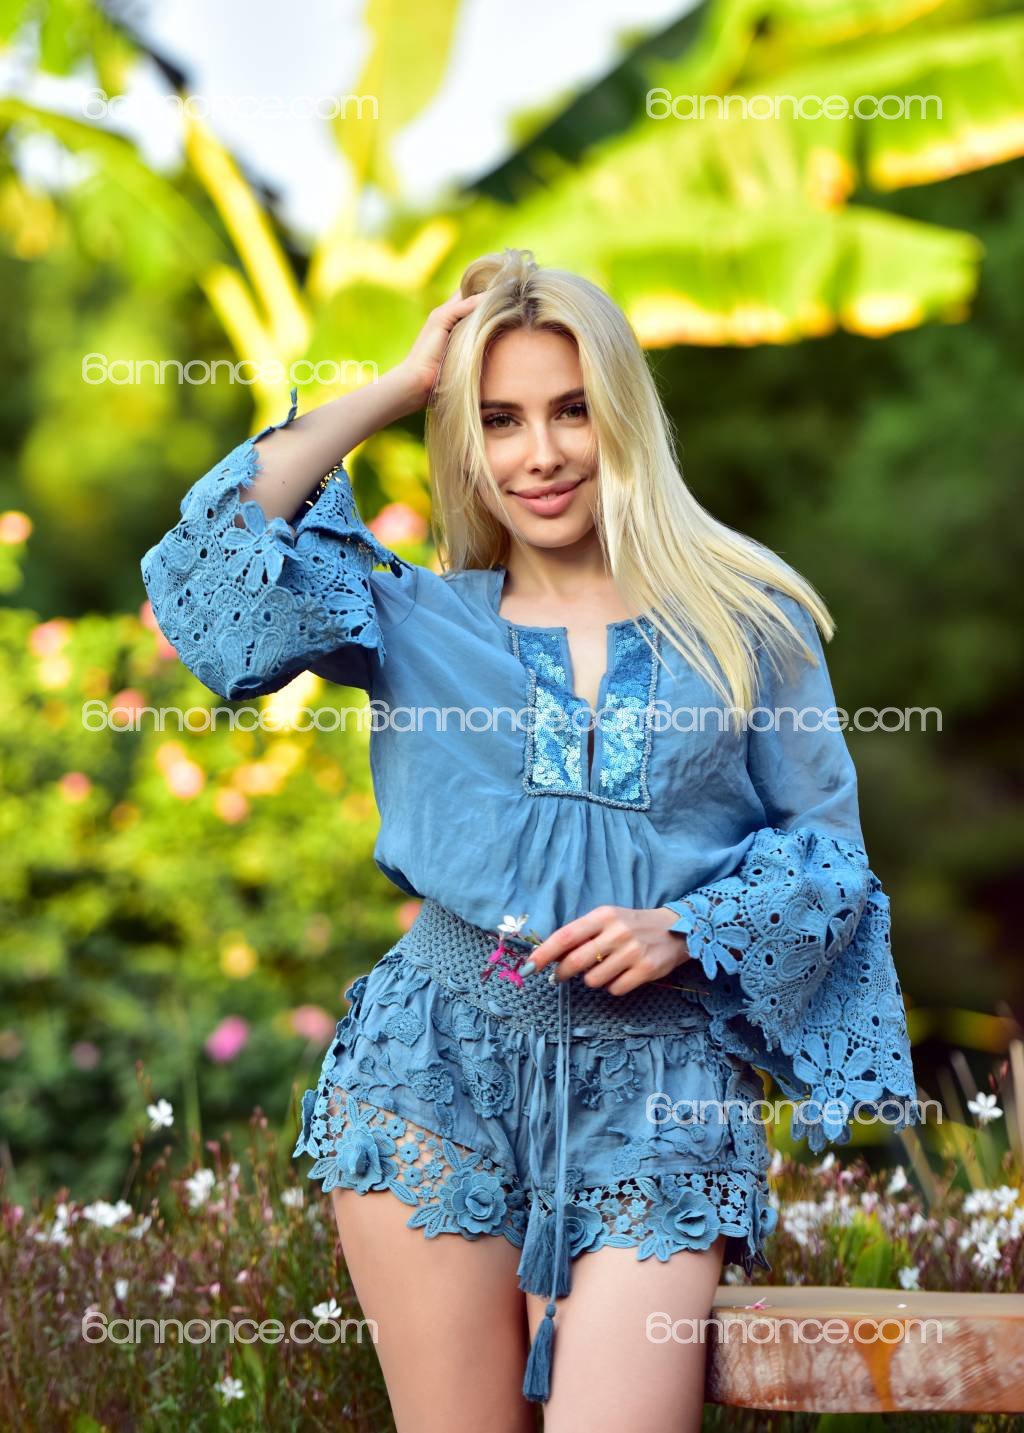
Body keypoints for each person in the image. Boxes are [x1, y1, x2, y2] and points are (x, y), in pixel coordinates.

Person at [141, 248, 920, 1432]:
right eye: (498, 419)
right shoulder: (404, 616)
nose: (538, 453)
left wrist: (689, 926)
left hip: (661, 1096)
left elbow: (828, 859)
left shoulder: (746, 621)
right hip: (430, 1073)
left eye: (570, 410)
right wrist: (403, 384)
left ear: (624, 417)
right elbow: (210, 563)